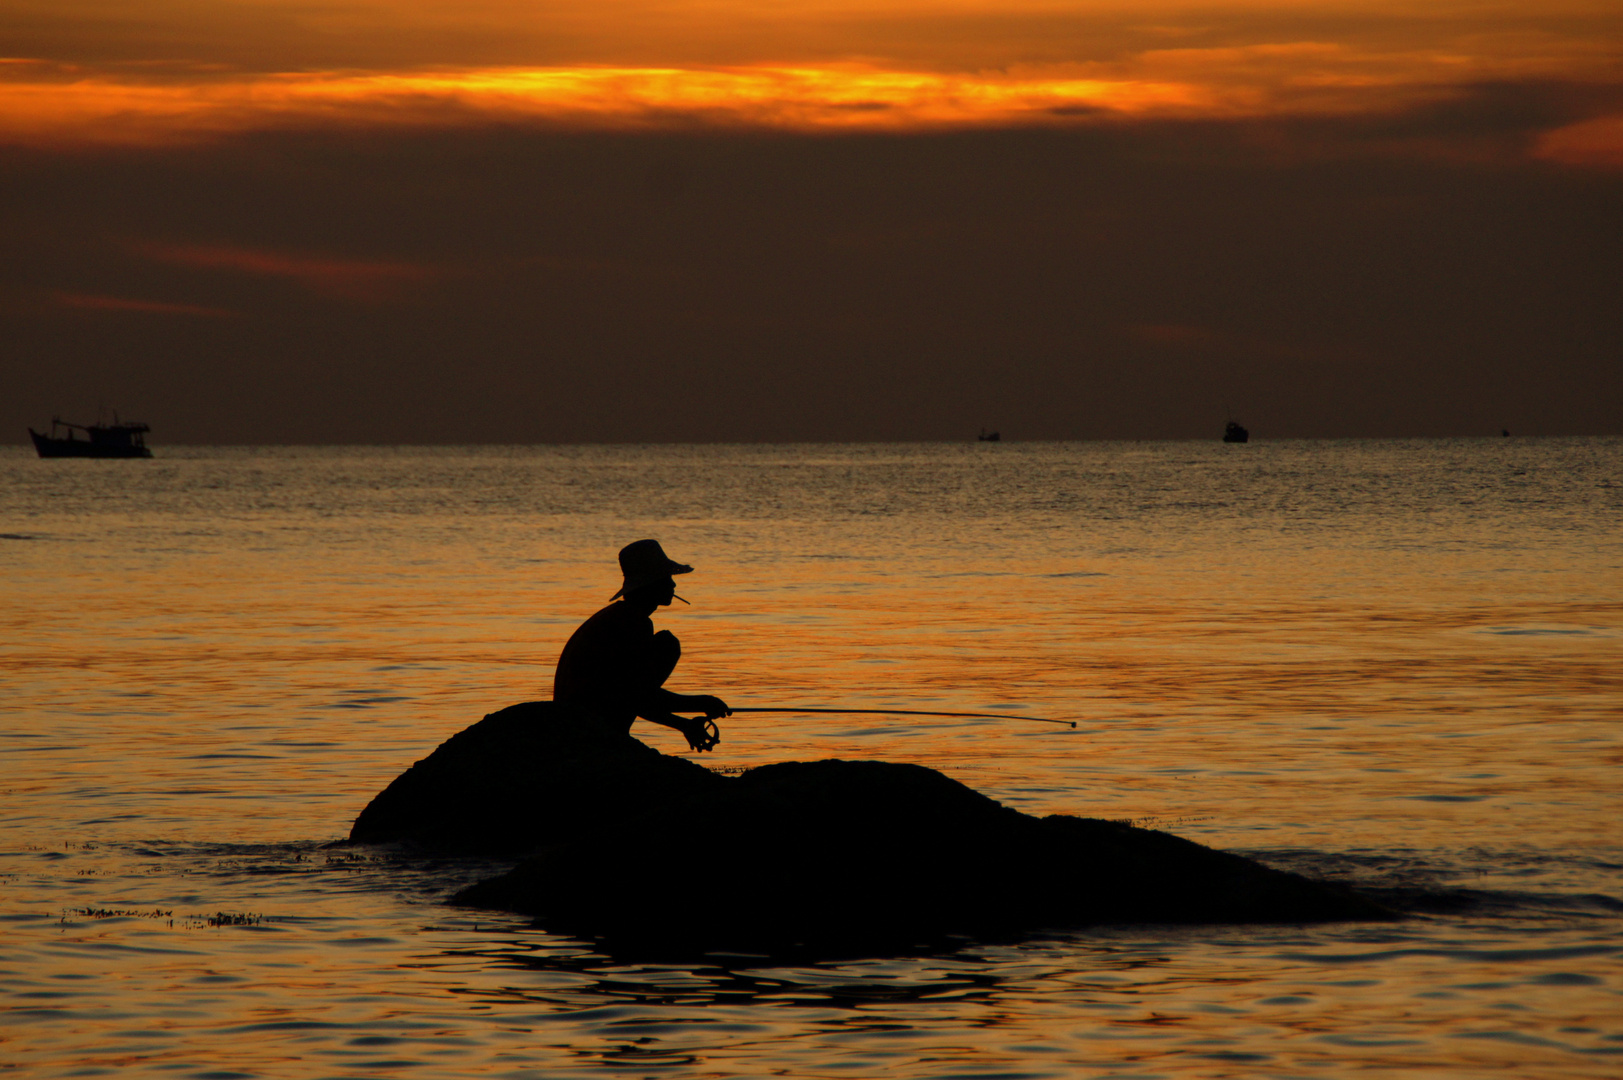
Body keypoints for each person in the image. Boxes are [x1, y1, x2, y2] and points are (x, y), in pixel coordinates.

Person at [552, 539, 732, 751]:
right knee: (668, 644)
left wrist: (682, 723)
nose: (673, 585)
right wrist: (699, 703)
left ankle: (618, 737)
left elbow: (630, 695)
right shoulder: (632, 624)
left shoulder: (618, 618)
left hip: (576, 721)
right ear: (651, 585)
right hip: (587, 727)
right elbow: (635, 695)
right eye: (667, 578)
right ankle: (615, 740)